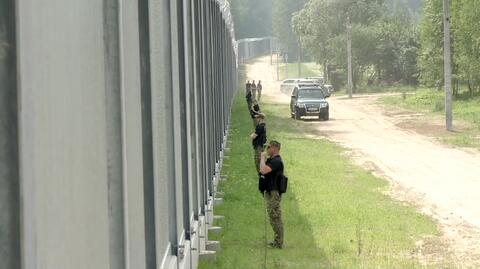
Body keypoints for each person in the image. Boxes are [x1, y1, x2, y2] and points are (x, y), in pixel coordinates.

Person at [259, 140, 284, 249]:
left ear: (274, 148)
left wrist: (262, 158)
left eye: (268, 147)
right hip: (270, 191)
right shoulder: (272, 160)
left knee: (275, 216)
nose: (267, 150)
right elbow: (261, 170)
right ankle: (277, 240)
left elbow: (263, 170)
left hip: (274, 192)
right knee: (272, 216)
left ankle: (278, 242)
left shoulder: (276, 161)